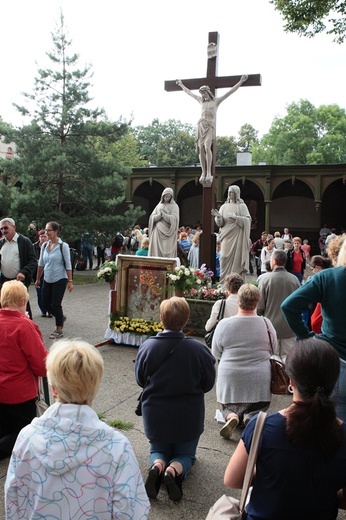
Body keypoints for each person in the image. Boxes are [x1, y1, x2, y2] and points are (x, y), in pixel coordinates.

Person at [5, 339, 150, 519]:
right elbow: (131, 510)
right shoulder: (117, 447)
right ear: (95, 386)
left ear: (53, 388)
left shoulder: (26, 437)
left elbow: (13, 498)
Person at [224, 338, 346, 520]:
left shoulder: (261, 425)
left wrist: (270, 474)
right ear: (334, 381)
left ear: (292, 381)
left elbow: (232, 479)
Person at [135, 297, 215, 501]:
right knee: (186, 455)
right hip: (188, 415)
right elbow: (208, 383)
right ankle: (173, 471)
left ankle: (157, 466)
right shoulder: (198, 350)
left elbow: (140, 379)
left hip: (155, 414)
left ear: (161, 318)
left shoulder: (147, 347)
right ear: (186, 320)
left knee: (158, 449)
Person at [281, 236, 346, 421]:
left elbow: (289, 306)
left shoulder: (328, 277)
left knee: (331, 429)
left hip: (333, 362)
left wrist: (307, 336)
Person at [212, 284, 277, 438]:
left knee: (227, 406)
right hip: (259, 377)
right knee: (257, 407)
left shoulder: (224, 324)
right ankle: (251, 417)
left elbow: (216, 352)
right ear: (257, 302)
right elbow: (273, 348)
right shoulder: (266, 324)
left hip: (230, 376)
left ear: (238, 300)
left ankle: (231, 416)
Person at [0, 280, 48, 460]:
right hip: (20, 393)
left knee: (4, 426)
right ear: (22, 302)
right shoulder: (24, 326)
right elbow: (41, 365)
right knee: (23, 435)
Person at [176, 75, 248, 184]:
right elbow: (189, 93)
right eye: (201, 94)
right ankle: (203, 172)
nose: (203, 95)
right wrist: (181, 84)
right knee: (201, 149)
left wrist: (241, 81)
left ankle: (209, 172)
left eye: (204, 93)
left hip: (210, 126)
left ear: (208, 92)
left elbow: (230, 92)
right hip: (200, 125)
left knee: (207, 147)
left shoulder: (216, 102)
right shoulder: (201, 101)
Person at [257, 249, 300, 361]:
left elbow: (260, 306)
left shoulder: (265, 280)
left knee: (272, 359)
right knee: (289, 358)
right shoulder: (294, 280)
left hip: (270, 325)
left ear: (274, 261)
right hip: (290, 326)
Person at [35, 221, 73, 340]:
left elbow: (68, 264)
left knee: (56, 304)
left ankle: (59, 329)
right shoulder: (45, 246)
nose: (46, 232)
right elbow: (41, 263)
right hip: (47, 278)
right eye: (45, 230)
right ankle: (60, 317)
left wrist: (70, 281)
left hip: (60, 278)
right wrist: (37, 279)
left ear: (56, 231)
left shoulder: (63, 246)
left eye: (49, 230)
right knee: (45, 303)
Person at [211, 185, 251, 283]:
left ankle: (235, 283)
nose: (229, 194)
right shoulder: (224, 207)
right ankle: (224, 282)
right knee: (223, 257)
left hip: (237, 235)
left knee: (236, 259)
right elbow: (220, 224)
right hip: (226, 234)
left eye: (231, 192)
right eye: (228, 192)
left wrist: (237, 218)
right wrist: (218, 217)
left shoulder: (242, 206)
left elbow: (248, 220)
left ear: (236, 193)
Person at [0, 217, 37, 318]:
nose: (3, 230)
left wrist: (24, 272)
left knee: (22, 306)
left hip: (19, 281)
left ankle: (28, 328)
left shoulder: (25, 241)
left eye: (5, 228)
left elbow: (33, 260)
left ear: (14, 227)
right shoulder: (1, 242)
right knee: (4, 306)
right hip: (4, 281)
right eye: (1, 228)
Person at [148, 187, 180, 258]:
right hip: (158, 231)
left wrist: (165, 215)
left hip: (169, 233)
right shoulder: (159, 206)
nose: (167, 198)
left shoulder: (174, 206)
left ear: (171, 197)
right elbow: (152, 218)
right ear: (163, 196)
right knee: (156, 252)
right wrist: (159, 216)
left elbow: (175, 219)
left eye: (169, 196)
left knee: (167, 254)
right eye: (165, 196)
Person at [308, 255, 332, 334]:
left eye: (312, 269)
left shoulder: (317, 280)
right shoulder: (331, 276)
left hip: (318, 313)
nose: (312, 271)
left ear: (317, 267)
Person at [33, 229, 51, 317]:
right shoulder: (33, 247)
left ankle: (50, 310)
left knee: (49, 293)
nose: (43, 238)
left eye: (45, 237)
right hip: (37, 273)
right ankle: (43, 310)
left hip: (48, 273)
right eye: (41, 236)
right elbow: (31, 258)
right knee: (40, 293)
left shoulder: (50, 246)